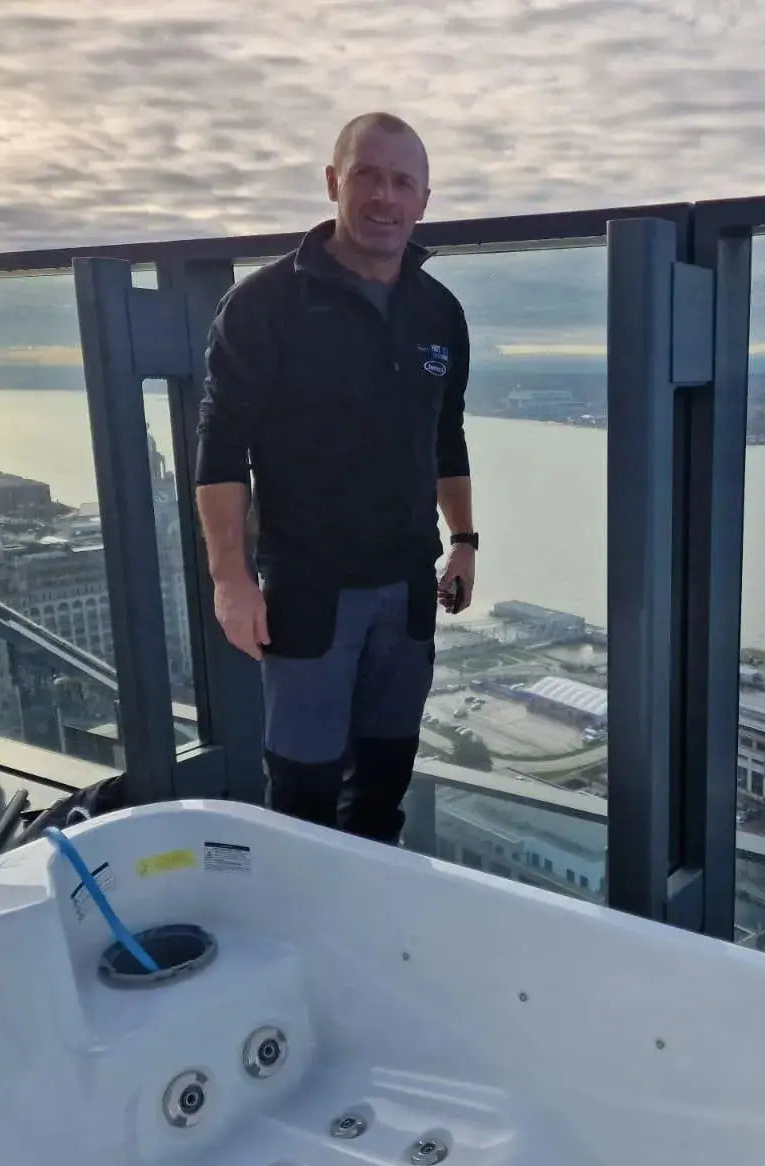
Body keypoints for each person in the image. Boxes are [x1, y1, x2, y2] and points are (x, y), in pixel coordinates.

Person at [194, 111, 478, 844]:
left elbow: (445, 434)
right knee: (304, 796)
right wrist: (231, 578)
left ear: (423, 200)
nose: (385, 198)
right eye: (368, 177)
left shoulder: (439, 312)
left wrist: (465, 540)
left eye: (402, 183)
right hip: (310, 592)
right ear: (333, 183)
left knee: (384, 788)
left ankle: (366, 935)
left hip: (408, 590)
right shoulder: (265, 305)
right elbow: (221, 449)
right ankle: (302, 938)